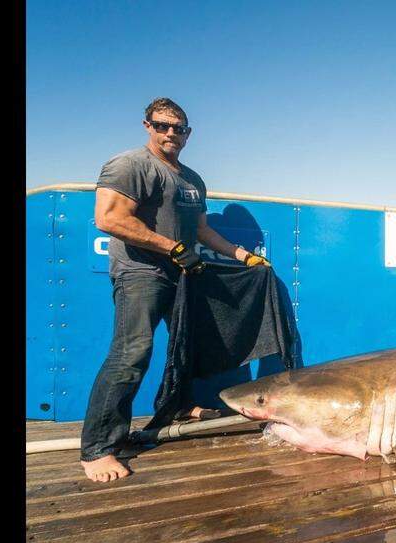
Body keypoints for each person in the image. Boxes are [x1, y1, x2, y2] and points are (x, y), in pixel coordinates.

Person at [80, 97, 271, 483]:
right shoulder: (131, 164)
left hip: (185, 275)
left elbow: (201, 230)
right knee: (131, 353)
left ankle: (179, 407)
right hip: (141, 272)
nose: (171, 133)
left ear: (188, 132)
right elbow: (109, 218)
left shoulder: (192, 179)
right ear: (147, 126)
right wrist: (172, 248)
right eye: (162, 125)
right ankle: (99, 447)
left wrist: (242, 256)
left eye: (178, 128)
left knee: (186, 346)